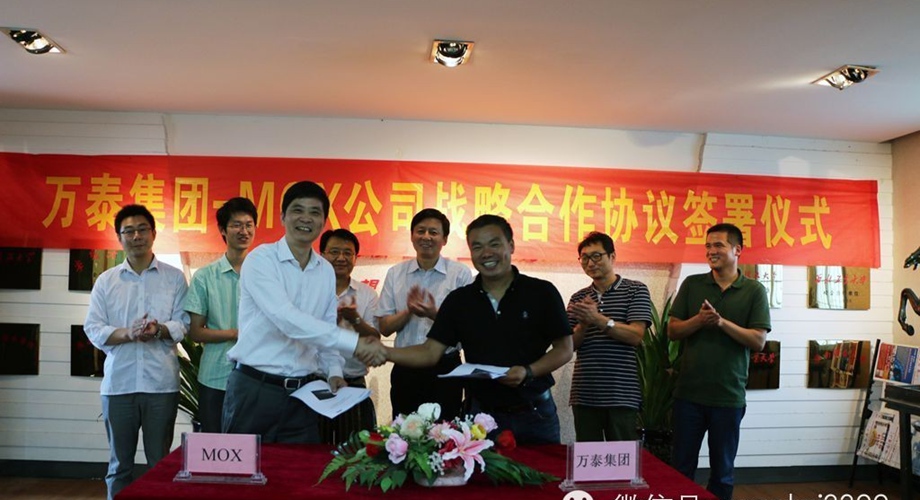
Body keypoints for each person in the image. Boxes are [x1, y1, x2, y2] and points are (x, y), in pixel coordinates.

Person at [384, 214, 573, 445]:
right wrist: (384, 352)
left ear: (511, 245)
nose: (486, 253)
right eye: (477, 247)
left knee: (543, 468)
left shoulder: (541, 292)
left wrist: (528, 371)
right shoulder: (460, 300)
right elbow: (430, 351)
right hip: (480, 419)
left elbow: (564, 348)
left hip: (535, 414)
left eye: (494, 244)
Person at [222, 181, 384, 443]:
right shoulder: (261, 260)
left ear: (323, 221)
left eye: (314, 212)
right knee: (246, 467)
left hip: (304, 394)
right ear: (283, 217)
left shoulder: (325, 270)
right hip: (256, 389)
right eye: (298, 210)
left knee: (300, 467)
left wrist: (334, 371)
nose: (306, 218)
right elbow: (287, 319)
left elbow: (326, 325)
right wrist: (353, 343)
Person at [84, 204, 190, 500]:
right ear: (119, 238)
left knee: (159, 463)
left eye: (142, 229)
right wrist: (128, 334)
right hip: (119, 385)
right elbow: (93, 327)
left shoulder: (174, 277)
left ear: (153, 234)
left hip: (161, 385)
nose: (136, 236)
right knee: (119, 466)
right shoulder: (107, 281)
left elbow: (183, 323)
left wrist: (158, 329)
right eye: (128, 231)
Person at [668, 223, 771, 500]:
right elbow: (673, 331)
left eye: (718, 245)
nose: (711, 251)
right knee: (680, 468)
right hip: (688, 395)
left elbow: (758, 341)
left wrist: (721, 322)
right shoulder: (692, 284)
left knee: (723, 472)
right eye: (708, 246)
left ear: (737, 250)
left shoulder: (754, 290)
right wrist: (700, 320)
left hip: (728, 396)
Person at [375, 208, 472, 420]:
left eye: (433, 232)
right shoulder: (396, 273)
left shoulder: (460, 274)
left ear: (444, 239)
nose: (426, 237)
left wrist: (433, 313)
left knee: (446, 432)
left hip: (446, 368)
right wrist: (408, 311)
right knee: (403, 430)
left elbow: (467, 329)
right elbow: (384, 327)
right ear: (412, 236)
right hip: (406, 366)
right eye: (421, 231)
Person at [567, 231, 652, 441]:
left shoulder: (635, 290)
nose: (590, 263)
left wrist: (598, 319)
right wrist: (584, 324)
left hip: (622, 394)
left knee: (622, 456)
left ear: (612, 256)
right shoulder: (578, 298)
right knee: (588, 456)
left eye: (597, 256)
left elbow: (636, 335)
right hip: (584, 393)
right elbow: (569, 346)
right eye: (584, 258)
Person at [183, 197, 258, 433]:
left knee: (251, 446)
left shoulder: (265, 276)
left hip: (256, 376)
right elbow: (196, 332)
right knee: (214, 444)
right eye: (236, 225)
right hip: (215, 375)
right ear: (223, 230)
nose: (244, 231)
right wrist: (234, 334)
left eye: (248, 225)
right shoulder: (205, 277)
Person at [318, 228, 381, 443]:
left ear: (355, 258)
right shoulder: (310, 290)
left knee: (356, 450)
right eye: (334, 252)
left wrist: (354, 319)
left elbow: (374, 338)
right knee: (313, 450)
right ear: (322, 255)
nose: (341, 258)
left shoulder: (367, 294)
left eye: (347, 253)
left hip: (353, 383)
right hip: (315, 382)